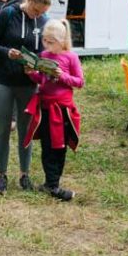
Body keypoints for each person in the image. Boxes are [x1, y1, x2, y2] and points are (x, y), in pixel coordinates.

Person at [0, 0, 51, 194]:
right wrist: (7, 52)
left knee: (26, 131)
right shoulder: (8, 14)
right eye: (36, 11)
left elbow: (45, 50)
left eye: (42, 13)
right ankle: (2, 176)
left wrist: (40, 63)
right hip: (3, 80)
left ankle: (25, 174)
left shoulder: (43, 21)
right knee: (3, 128)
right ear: (29, 2)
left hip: (28, 83)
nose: (38, 15)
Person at [23, 19, 84, 201]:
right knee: (47, 145)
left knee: (60, 146)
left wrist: (62, 76)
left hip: (63, 109)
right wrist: (30, 73)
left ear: (62, 40)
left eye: (51, 42)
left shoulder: (70, 57)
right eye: (44, 41)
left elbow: (80, 82)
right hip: (45, 107)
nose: (47, 45)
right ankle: (51, 184)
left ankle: (53, 183)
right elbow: (42, 80)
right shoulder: (44, 55)